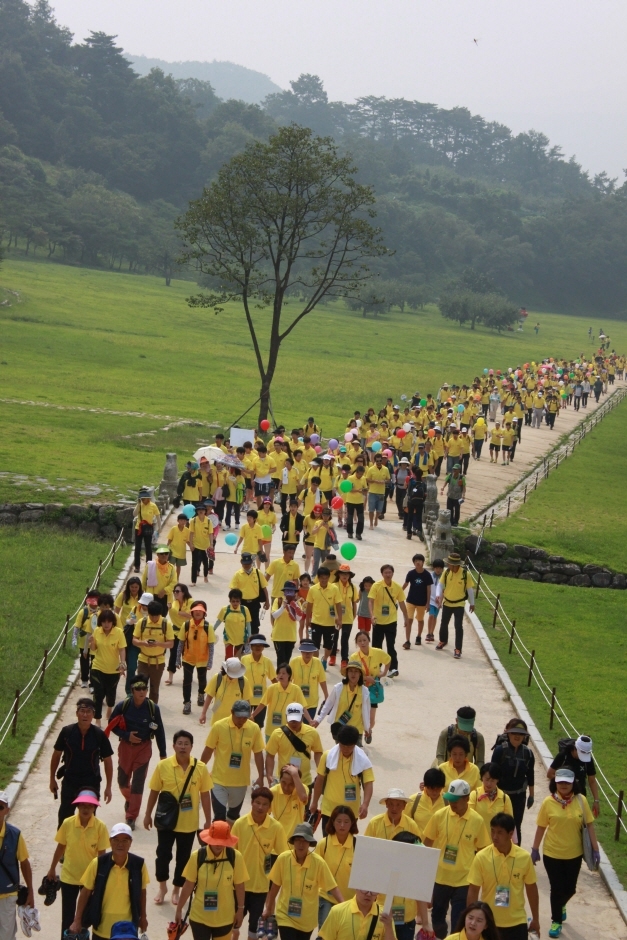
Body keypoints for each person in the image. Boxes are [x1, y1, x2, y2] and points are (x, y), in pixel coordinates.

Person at [144, 729, 213, 906]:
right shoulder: (163, 766)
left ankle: (176, 888)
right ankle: (162, 886)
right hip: (166, 821)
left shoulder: (200, 768)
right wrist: (147, 814)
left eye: (186, 744)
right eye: (179, 743)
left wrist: (207, 819)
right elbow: (154, 791)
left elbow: (205, 794)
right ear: (173, 745)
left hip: (189, 824)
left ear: (191, 746)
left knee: (183, 858)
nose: (183, 747)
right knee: (163, 855)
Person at [531, 767, 600, 938]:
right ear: (555, 783)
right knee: (556, 888)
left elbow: (589, 825)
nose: (563, 785)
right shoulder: (548, 802)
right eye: (560, 782)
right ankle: (556, 921)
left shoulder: (581, 800)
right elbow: (541, 827)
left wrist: (596, 850)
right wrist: (534, 849)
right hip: (552, 853)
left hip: (574, 854)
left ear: (573, 784)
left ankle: (561, 905)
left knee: (570, 888)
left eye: (567, 783)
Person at [422, 780, 490, 939]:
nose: (451, 803)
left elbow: (482, 851)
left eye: (456, 800)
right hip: (440, 878)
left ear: (466, 798)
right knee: (437, 917)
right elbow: (427, 844)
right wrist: (425, 876)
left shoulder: (477, 821)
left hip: (464, 880)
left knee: (459, 920)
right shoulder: (439, 815)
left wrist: (481, 879)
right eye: (450, 799)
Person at [68, 821, 149, 940]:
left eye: (125, 840)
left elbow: (142, 892)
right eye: (116, 840)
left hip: (128, 930)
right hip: (101, 928)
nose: (120, 844)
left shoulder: (139, 865)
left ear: (130, 843)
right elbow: (85, 892)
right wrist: (77, 920)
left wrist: (143, 917)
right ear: (110, 842)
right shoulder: (98, 863)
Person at [263, 822, 343, 940]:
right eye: (298, 840)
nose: (301, 844)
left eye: (305, 840)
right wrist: (269, 908)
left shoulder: (319, 863)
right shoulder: (283, 859)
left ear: (310, 843)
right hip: (285, 915)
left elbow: (332, 887)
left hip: (307, 920)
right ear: (293, 841)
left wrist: (345, 907)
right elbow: (275, 886)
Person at [47, 789, 110, 939]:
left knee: (86, 918)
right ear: (77, 807)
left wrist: (100, 880)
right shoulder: (68, 823)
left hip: (90, 880)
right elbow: (60, 847)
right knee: (67, 917)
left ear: (95, 808)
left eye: (89, 806)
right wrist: (51, 868)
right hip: (69, 877)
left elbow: (102, 855)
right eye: (82, 805)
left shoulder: (100, 827)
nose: (86, 809)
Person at [108, 673, 167, 829]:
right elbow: (111, 725)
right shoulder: (123, 706)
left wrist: (163, 754)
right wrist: (126, 735)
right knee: (122, 783)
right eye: (138, 689)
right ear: (132, 690)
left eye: (144, 689)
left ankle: (131, 816)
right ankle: (130, 800)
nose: (142, 692)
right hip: (126, 749)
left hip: (144, 750)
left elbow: (160, 731)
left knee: (138, 784)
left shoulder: (153, 708)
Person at [467, 812, 540, 940]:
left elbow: (531, 889)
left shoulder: (524, 857)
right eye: (493, 831)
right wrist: (470, 920)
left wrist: (536, 919)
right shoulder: (481, 857)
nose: (494, 836)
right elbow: (473, 890)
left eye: (500, 832)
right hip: (489, 923)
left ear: (511, 834)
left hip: (517, 923)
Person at [174, 820, 248, 940]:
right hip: (199, 917)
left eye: (222, 842)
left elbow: (240, 886)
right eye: (215, 842)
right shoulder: (197, 856)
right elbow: (188, 885)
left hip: (225, 918)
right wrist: (178, 910)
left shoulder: (235, 857)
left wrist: (240, 910)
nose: (218, 845)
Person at [232, 787, 289, 940]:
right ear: (251, 803)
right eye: (257, 803)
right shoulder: (239, 824)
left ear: (270, 807)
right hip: (239, 885)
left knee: (254, 927)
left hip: (261, 887)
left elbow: (284, 855)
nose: (260, 807)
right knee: (233, 925)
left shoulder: (276, 827)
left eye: (265, 804)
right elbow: (231, 855)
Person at [50, 698, 113, 827]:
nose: (85, 715)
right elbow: (56, 754)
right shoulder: (67, 732)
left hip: (91, 782)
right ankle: (64, 846)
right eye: (82, 711)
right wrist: (52, 779)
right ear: (77, 713)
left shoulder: (99, 735)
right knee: (64, 817)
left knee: (88, 819)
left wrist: (108, 787)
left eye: (88, 711)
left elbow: (108, 761)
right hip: (70, 780)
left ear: (94, 714)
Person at [200, 699, 265, 823]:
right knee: (219, 817)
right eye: (238, 717)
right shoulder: (219, 726)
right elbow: (208, 750)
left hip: (240, 782)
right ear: (231, 712)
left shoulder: (254, 728)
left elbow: (258, 754)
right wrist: (199, 770)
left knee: (233, 817)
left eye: (245, 717)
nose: (241, 720)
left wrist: (261, 777)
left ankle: (229, 842)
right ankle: (215, 842)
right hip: (219, 780)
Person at [309, 725, 374, 832]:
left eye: (349, 747)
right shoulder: (327, 756)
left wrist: (365, 804)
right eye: (342, 746)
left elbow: (368, 783)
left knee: (346, 844)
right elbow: (319, 780)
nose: (345, 749)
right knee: (328, 842)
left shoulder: (363, 760)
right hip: (329, 809)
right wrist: (314, 802)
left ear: (355, 744)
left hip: (351, 812)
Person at [491, 718, 535, 844]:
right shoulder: (499, 750)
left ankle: (515, 856)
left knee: (516, 827)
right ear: (508, 733)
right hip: (500, 795)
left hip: (518, 796)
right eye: (514, 733)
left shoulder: (528, 754)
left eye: (521, 734)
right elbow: (493, 772)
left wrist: (531, 795)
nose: (517, 736)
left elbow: (530, 775)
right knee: (497, 825)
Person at [314, 805, 358, 928]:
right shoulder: (324, 844)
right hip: (325, 898)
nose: (342, 825)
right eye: (338, 821)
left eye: (346, 822)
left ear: (352, 823)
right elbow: (315, 871)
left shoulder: (358, 846)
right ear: (332, 822)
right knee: (325, 933)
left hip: (350, 900)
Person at [266, 702, 323, 792]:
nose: (294, 723)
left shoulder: (312, 733)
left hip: (304, 782)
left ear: (302, 717)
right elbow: (270, 755)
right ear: (286, 717)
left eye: (296, 720)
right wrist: (269, 774)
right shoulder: (277, 734)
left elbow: (318, 752)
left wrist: (320, 772)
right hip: (284, 783)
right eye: (291, 720)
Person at [0, 790, 34, 940]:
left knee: (6, 935)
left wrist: (30, 892)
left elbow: (24, 863)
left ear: (7, 810)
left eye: (0, 807)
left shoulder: (15, 835)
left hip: (7, 895)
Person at [349, 631, 390, 744]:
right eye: (359, 641)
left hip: (373, 690)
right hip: (359, 689)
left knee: (371, 720)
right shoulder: (354, 657)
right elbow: (351, 674)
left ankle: (369, 729)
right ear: (356, 643)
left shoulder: (377, 652)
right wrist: (366, 678)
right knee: (359, 716)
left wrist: (384, 673)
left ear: (369, 640)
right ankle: (358, 739)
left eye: (364, 640)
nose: (362, 643)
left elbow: (388, 660)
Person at [368, 564, 409, 678]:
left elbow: (401, 603)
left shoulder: (397, 587)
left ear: (392, 573)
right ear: (382, 574)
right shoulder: (376, 586)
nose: (387, 574)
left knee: (391, 645)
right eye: (385, 572)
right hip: (378, 622)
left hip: (391, 621)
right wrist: (372, 616)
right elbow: (370, 601)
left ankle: (393, 668)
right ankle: (376, 668)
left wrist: (406, 618)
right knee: (377, 646)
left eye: (389, 572)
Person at [132, 598, 175, 703]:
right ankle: (139, 709)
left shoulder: (166, 624)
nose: (154, 618)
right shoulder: (142, 622)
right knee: (140, 688)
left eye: (157, 615)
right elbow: (134, 640)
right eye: (152, 615)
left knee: (154, 690)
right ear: (148, 613)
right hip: (143, 660)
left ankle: (152, 711)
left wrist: (159, 644)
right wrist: (143, 643)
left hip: (158, 662)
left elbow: (171, 644)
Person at [315, 663, 370, 744]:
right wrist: (318, 720)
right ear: (347, 673)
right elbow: (328, 704)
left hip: (357, 730)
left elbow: (366, 711)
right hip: (341, 729)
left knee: (356, 755)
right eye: (350, 671)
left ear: (360, 674)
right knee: (341, 754)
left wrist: (367, 728)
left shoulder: (365, 691)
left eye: (356, 671)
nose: (353, 674)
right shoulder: (338, 688)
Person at [178, 600, 216, 716]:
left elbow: (211, 646)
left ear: (204, 613)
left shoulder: (207, 627)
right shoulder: (186, 625)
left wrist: (210, 662)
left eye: (201, 611)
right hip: (188, 658)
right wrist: (177, 659)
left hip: (202, 660)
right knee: (187, 682)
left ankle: (201, 695)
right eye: (195, 611)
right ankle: (187, 703)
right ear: (192, 612)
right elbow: (181, 643)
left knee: (202, 680)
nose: (198, 612)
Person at [253, 664, 309, 742]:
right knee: (269, 752)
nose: (280, 675)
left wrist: (310, 720)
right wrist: (252, 715)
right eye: (279, 673)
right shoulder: (271, 688)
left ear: (289, 675)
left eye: (283, 673)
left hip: (287, 729)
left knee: (285, 753)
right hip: (271, 728)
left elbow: (302, 707)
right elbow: (262, 704)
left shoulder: (296, 689)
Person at [435, 553, 475, 659]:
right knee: (444, 623)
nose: (448, 566)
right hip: (447, 602)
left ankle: (458, 649)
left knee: (458, 626)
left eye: (450, 564)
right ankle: (443, 641)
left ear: (456, 565)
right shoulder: (447, 572)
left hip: (459, 604)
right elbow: (440, 584)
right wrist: (438, 595)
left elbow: (470, 590)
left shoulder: (466, 574)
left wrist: (472, 603)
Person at [548, 734, 600, 814]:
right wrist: (564, 783)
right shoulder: (563, 756)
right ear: (575, 749)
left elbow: (592, 780)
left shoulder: (588, 760)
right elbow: (550, 774)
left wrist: (596, 800)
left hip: (580, 796)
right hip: (562, 797)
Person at [304, 566, 343, 669]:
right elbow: (309, 606)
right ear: (318, 577)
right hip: (316, 621)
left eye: (326, 577)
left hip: (330, 623)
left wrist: (340, 619)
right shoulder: (313, 589)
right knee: (315, 645)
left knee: (329, 645)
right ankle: (317, 664)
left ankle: (325, 659)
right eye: (322, 577)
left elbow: (338, 604)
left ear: (329, 578)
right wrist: (308, 620)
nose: (324, 580)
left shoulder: (334, 589)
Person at [318, 889, 396, 940]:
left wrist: (388, 926)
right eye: (365, 889)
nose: (368, 894)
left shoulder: (384, 915)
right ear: (356, 888)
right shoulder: (337, 911)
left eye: (373, 891)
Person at [199, 658, 254, 726]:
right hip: (217, 720)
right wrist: (203, 713)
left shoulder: (243, 681)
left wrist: (249, 715)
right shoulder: (217, 678)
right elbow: (209, 696)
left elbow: (247, 701)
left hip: (236, 721)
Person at [229, 552, 270, 636]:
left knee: (255, 624)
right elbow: (233, 590)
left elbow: (264, 588)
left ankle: (253, 643)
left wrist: (267, 601)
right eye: (244, 564)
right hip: (242, 603)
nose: (246, 565)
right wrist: (233, 604)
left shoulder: (258, 573)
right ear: (241, 562)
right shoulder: (237, 574)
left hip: (254, 603)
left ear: (251, 562)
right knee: (241, 624)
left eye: (248, 563)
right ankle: (243, 645)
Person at [242, 634, 277, 727]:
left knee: (258, 726)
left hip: (261, 700)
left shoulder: (267, 661)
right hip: (246, 699)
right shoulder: (243, 659)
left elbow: (274, 679)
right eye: (255, 645)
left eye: (261, 645)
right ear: (251, 646)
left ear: (264, 647)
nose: (258, 647)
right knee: (244, 724)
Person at [290, 640, 328, 721]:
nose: (307, 654)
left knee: (307, 727)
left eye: (310, 652)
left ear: (313, 652)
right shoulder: (294, 662)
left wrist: (326, 696)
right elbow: (288, 680)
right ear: (301, 652)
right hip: (296, 701)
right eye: (305, 652)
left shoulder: (317, 662)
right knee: (295, 727)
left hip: (312, 703)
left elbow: (322, 680)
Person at [468, 764, 514, 831]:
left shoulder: (504, 798)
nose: (489, 783)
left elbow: (509, 823)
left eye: (492, 780)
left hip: (496, 839)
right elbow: (469, 817)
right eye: (487, 779)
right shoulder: (474, 795)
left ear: (497, 780)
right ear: (482, 778)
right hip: (478, 839)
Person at [405, 768, 446, 841]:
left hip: (440, 849)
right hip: (417, 846)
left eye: (438, 789)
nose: (435, 792)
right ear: (425, 786)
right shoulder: (413, 800)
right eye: (432, 788)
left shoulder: (448, 802)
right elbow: (404, 823)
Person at [402, 554, 433, 648]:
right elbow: (406, 584)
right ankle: (407, 641)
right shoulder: (411, 573)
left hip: (422, 602)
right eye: (416, 561)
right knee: (409, 619)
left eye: (419, 560)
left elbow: (429, 590)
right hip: (410, 600)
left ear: (423, 562)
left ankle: (418, 636)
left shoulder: (427, 575)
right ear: (414, 563)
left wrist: (428, 603)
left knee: (420, 620)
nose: (418, 562)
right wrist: (397, 593)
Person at [165, 583, 193, 686]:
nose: (175, 593)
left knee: (187, 654)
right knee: (173, 653)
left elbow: (193, 616)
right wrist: (183, 613)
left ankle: (188, 676)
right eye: (174, 591)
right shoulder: (173, 603)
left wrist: (182, 613)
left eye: (177, 591)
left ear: (183, 592)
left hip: (188, 631)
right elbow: (175, 614)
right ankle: (170, 677)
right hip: (176, 631)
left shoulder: (191, 602)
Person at [271, 765, 309, 839]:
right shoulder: (273, 792)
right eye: (283, 782)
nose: (286, 787)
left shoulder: (302, 789)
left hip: (295, 840)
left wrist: (295, 774)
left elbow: (303, 797)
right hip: (277, 839)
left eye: (291, 784)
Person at [271, 580, 303, 665]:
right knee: (281, 660)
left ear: (295, 592)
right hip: (278, 636)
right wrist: (283, 607)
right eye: (287, 591)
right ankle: (280, 677)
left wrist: (295, 606)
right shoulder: (278, 600)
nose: (289, 593)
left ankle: (285, 677)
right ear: (284, 592)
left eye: (291, 591)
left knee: (287, 660)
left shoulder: (297, 602)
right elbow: (274, 615)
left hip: (290, 637)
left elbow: (298, 618)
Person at [331, 565, 358, 667]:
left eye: (347, 574)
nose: (344, 576)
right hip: (335, 617)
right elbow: (330, 602)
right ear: (339, 574)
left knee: (345, 639)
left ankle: (344, 660)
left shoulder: (352, 587)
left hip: (348, 618)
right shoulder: (333, 586)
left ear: (349, 575)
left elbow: (354, 603)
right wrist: (334, 616)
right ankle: (332, 657)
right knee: (334, 638)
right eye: (342, 573)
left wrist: (354, 615)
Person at [215, 589, 252, 658]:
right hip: (228, 638)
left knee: (237, 659)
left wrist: (249, 636)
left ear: (240, 601)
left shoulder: (245, 610)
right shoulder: (224, 609)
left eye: (237, 601)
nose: (235, 603)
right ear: (230, 601)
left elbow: (248, 624)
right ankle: (225, 668)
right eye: (233, 601)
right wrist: (212, 630)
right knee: (228, 658)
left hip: (241, 639)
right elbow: (219, 621)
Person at [141, 544, 176, 616]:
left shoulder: (171, 568)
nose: (164, 555)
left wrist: (165, 590)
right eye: (161, 553)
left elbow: (174, 582)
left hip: (164, 597)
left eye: (166, 553)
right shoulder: (150, 565)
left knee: (162, 617)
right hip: (151, 596)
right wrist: (141, 596)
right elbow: (144, 581)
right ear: (157, 554)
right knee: (149, 617)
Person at [133, 487, 160, 572]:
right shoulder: (140, 505)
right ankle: (137, 566)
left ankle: (149, 566)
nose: (144, 500)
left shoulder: (153, 506)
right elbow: (134, 514)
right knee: (137, 548)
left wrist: (158, 529)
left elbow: (158, 517)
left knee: (148, 547)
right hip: (139, 528)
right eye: (142, 499)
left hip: (148, 528)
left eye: (145, 499)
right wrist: (138, 504)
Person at [188, 503, 214, 584]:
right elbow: (191, 533)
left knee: (205, 562)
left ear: (205, 511)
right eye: (199, 510)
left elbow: (210, 534)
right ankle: (193, 581)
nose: (201, 511)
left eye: (202, 510)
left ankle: (205, 576)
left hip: (205, 545)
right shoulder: (193, 521)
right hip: (196, 545)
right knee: (194, 562)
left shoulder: (209, 521)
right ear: (197, 511)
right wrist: (191, 544)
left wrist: (211, 544)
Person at [366, 453, 391, 528]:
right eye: (377, 461)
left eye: (380, 461)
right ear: (375, 461)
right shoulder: (371, 469)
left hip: (381, 493)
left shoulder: (386, 469)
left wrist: (384, 482)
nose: (379, 462)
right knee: (371, 509)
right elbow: (367, 479)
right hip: (372, 492)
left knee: (379, 510)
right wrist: (374, 481)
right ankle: (371, 523)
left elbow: (389, 479)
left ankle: (376, 518)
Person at [344, 464, 368, 540]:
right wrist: (358, 490)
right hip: (350, 500)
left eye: (362, 474)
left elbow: (365, 488)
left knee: (361, 518)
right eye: (359, 474)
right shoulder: (350, 478)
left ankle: (359, 533)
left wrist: (365, 491)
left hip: (360, 501)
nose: (360, 475)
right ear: (356, 472)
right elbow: (349, 490)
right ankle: (350, 532)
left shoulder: (363, 478)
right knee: (350, 517)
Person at [405, 467, 427, 540]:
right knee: (419, 517)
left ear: (415, 474)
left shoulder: (411, 481)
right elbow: (425, 494)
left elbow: (409, 492)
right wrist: (422, 501)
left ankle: (409, 533)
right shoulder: (423, 483)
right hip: (420, 502)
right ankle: (419, 530)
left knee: (410, 517)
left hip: (411, 502)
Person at [167, 513, 191, 579]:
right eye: (181, 520)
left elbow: (188, 541)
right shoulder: (174, 529)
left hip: (181, 551)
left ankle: (176, 579)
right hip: (173, 550)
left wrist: (191, 547)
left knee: (178, 566)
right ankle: (170, 578)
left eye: (184, 521)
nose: (183, 522)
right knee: (171, 565)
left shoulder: (187, 530)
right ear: (178, 520)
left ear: (186, 521)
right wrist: (166, 547)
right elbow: (170, 539)